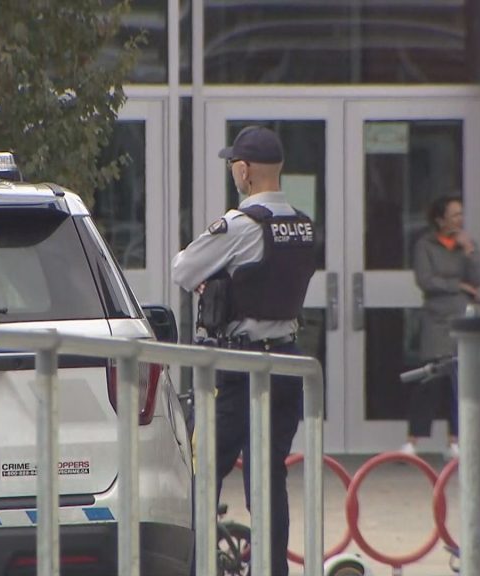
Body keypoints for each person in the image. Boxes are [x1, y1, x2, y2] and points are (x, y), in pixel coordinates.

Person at [172, 125, 315, 576]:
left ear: (243, 170)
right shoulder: (302, 225)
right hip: (286, 362)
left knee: (203, 478)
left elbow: (183, 268)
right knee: (268, 481)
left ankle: (201, 569)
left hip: (235, 369)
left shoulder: (239, 225)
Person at [401, 195, 480, 459]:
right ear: (440, 219)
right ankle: (413, 440)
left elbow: (478, 279)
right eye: (454, 215)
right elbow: (426, 280)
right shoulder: (425, 245)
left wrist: (470, 252)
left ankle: (454, 440)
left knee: (456, 381)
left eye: (461, 214)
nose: (459, 220)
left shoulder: (465, 245)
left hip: (461, 319)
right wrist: (457, 285)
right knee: (429, 380)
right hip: (436, 321)